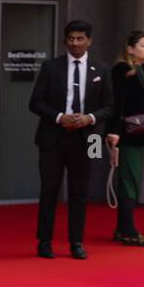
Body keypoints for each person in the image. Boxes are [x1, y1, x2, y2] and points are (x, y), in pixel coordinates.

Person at [28, 20, 114, 259]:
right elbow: (35, 103)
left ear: (89, 41)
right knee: (49, 190)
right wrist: (59, 117)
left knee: (80, 192)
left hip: (88, 140)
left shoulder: (101, 69)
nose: (75, 43)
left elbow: (109, 107)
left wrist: (89, 118)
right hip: (52, 138)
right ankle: (44, 241)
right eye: (71, 39)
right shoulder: (50, 67)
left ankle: (76, 242)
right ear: (65, 40)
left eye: (80, 38)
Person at [107, 31, 144, 245]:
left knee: (133, 180)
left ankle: (123, 228)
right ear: (130, 49)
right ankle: (128, 231)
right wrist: (114, 133)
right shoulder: (122, 70)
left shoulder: (143, 70)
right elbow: (117, 104)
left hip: (142, 134)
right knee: (129, 180)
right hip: (128, 134)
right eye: (143, 45)